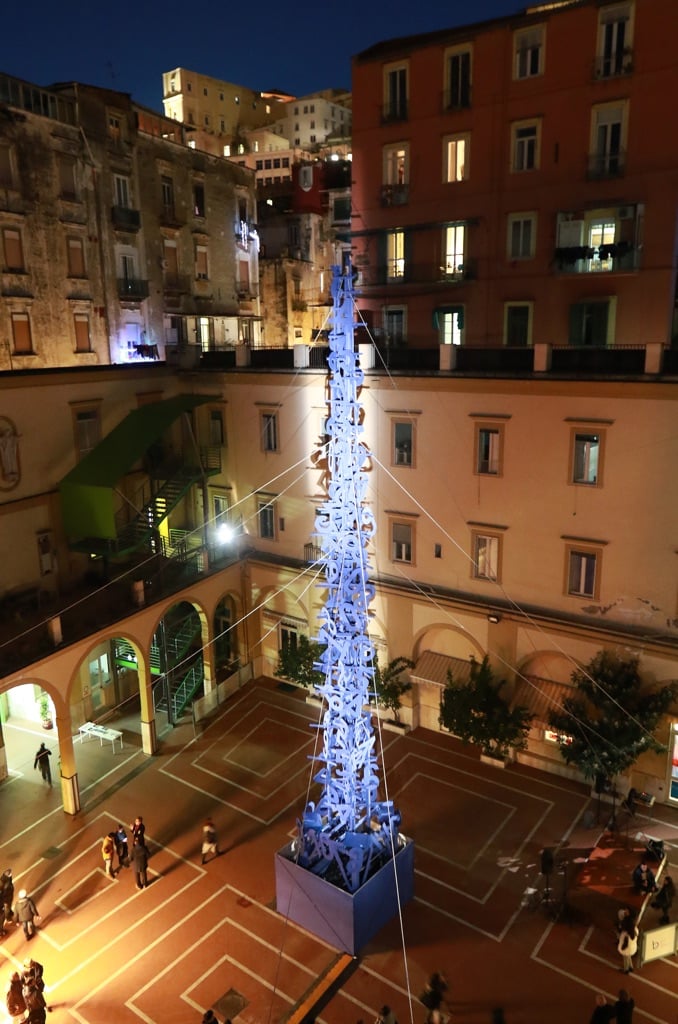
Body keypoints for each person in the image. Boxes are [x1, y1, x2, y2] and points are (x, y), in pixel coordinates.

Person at [0, 867, 14, 935]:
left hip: (6, 899)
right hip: (6, 900)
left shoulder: (4, 880)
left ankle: (9, 913)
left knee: (7, 909)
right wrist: (5, 902)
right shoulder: (7, 885)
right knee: (4, 912)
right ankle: (8, 918)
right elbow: (5, 894)